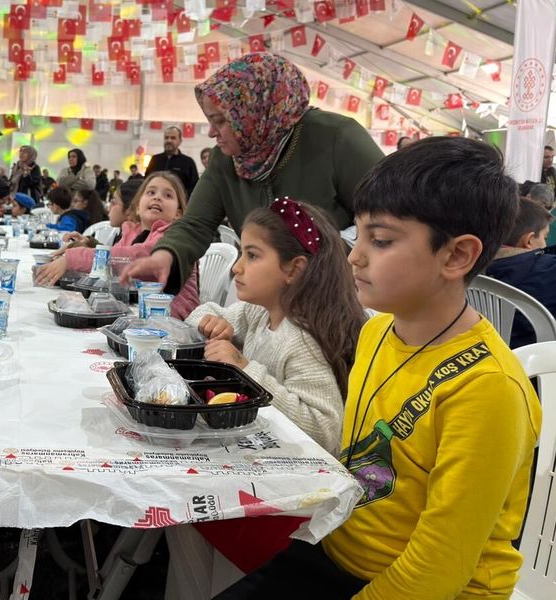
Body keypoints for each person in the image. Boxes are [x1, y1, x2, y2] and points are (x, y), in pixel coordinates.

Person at [229, 137, 541, 600]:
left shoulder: (487, 388)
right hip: (340, 551)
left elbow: (438, 569)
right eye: (358, 235)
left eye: (381, 240)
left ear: (457, 255)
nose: (354, 255)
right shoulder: (376, 335)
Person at [123, 53, 383, 295]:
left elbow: (391, 218)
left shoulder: (336, 139)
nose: (212, 132)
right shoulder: (225, 159)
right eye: (210, 120)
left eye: (221, 121)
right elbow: (196, 224)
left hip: (337, 294)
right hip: (268, 297)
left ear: (254, 114)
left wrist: (341, 260)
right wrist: (164, 255)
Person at [185, 199, 364, 454]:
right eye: (240, 253)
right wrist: (210, 323)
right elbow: (203, 311)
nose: (237, 267)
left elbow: (324, 432)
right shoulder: (258, 312)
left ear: (294, 268)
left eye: (253, 255)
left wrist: (245, 370)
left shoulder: (301, 340)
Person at [37, 173, 199, 319]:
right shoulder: (132, 233)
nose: (157, 198)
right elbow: (110, 264)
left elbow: (131, 258)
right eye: (151, 192)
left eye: (168, 195)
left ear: (178, 213)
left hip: (177, 321)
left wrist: (72, 258)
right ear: (137, 206)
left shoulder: (174, 236)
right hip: (139, 314)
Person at [485, 197, 555, 348]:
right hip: (540, 360)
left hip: (491, 351)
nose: (545, 244)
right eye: (545, 237)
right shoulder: (548, 271)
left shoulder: (472, 267)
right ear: (529, 241)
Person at [146, 126, 200, 198]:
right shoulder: (155, 159)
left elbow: (194, 188)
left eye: (173, 138)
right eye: (166, 137)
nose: (169, 140)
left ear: (180, 141)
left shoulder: (188, 162)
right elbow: (146, 181)